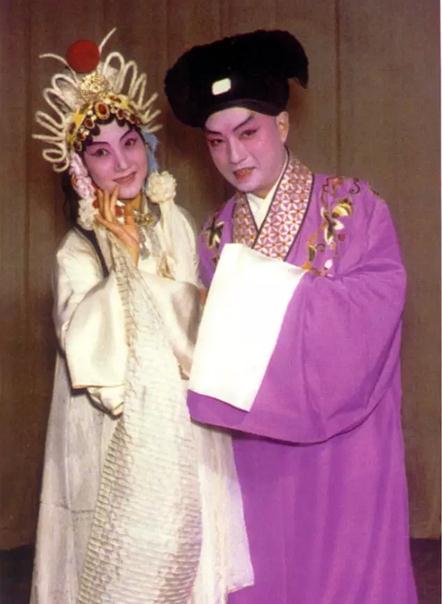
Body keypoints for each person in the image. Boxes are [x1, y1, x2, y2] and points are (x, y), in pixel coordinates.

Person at [165, 29, 418, 603]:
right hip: (253, 451)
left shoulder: (351, 206)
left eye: (248, 132)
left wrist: (254, 289)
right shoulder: (214, 237)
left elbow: (377, 306)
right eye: (216, 141)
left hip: (348, 448)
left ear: (281, 125)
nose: (235, 156)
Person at [31, 29, 252, 603]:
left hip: (185, 427)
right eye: (101, 151)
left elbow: (197, 332)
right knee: (122, 566)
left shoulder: (173, 221)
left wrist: (150, 273)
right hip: (112, 435)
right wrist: (125, 269)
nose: (122, 162)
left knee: (189, 557)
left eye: (129, 142)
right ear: (79, 169)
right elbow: (94, 357)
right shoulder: (76, 252)